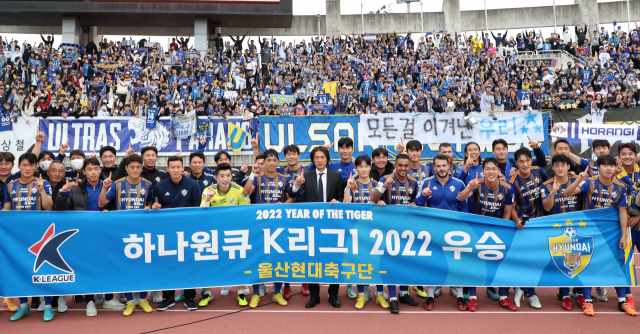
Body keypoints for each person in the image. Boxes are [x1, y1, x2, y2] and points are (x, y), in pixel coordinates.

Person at [563, 155, 637, 316]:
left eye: (611, 165)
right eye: (605, 165)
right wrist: (578, 180)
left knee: (617, 265)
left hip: (612, 233)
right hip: (590, 232)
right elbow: (567, 194)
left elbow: (623, 212)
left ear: (615, 167)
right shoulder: (589, 182)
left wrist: (624, 236)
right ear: (599, 167)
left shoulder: (620, 188)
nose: (608, 168)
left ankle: (622, 301)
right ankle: (588, 301)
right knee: (590, 264)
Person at [53, 157, 120, 316]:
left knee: (106, 265)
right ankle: (89, 300)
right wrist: (63, 194)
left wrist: (108, 211)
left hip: (105, 234)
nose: (93, 172)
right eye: (89, 169)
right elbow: (60, 209)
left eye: (96, 169)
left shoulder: (110, 187)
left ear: (100, 170)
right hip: (83, 236)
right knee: (87, 266)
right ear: (84, 172)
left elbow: (115, 208)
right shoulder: (75, 189)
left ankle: (108, 298)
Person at [457, 157, 517, 311]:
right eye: (487, 169)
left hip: (498, 229)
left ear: (499, 171)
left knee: (500, 263)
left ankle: (503, 297)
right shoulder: (477, 184)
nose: (491, 172)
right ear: (482, 171)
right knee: (474, 264)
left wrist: (503, 231)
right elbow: (460, 198)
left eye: (494, 169)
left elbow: (507, 213)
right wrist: (470, 188)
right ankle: (472, 298)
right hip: (476, 228)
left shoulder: (508, 188)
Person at [97, 154, 154, 316]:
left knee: (143, 267)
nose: (135, 170)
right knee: (124, 267)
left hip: (142, 233)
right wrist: (103, 188)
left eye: (138, 167)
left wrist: (150, 207)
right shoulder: (117, 184)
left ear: (141, 168)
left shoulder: (148, 185)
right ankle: (129, 301)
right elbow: (101, 204)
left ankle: (142, 299)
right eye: (132, 167)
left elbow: (149, 204)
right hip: (122, 233)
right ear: (127, 168)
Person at [289, 146, 343, 309]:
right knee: (311, 259)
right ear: (313, 160)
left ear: (327, 159)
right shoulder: (306, 176)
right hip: (311, 225)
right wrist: (297, 185)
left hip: (332, 225)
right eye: (316, 157)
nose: (319, 160)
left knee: (334, 259)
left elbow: (341, 197)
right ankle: (314, 295)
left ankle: (333, 295)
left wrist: (338, 202)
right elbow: (293, 195)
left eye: (322, 157)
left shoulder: (336, 176)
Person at [3, 153, 54, 322]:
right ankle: (24, 306)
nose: (27, 168)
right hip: (17, 236)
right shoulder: (10, 186)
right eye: (24, 165)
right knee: (19, 269)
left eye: (31, 165)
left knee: (43, 268)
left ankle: (48, 307)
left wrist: (41, 192)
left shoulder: (43, 183)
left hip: (39, 232)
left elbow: (49, 207)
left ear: (35, 167)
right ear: (19, 166)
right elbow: (7, 209)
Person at [413, 154, 468, 311]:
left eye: (444, 165)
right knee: (432, 263)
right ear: (434, 167)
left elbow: (464, 209)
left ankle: (459, 296)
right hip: (433, 230)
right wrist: (423, 196)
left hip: (454, 230)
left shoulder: (459, 184)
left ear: (449, 165)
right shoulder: (426, 182)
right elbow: (417, 203)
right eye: (438, 166)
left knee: (457, 264)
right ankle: (430, 296)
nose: (441, 169)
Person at [243, 149, 294, 307]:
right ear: (263, 162)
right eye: (268, 160)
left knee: (279, 258)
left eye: (274, 160)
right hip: (260, 225)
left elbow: (291, 198)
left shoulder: (285, 178)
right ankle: (256, 294)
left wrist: (283, 206)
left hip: (279, 225)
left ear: (278, 162)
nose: (271, 163)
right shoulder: (257, 179)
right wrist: (252, 174)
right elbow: (245, 192)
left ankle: (277, 292)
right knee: (257, 258)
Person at [370, 153, 420, 313]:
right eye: (400, 165)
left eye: (406, 166)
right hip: (387, 228)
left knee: (406, 262)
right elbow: (373, 198)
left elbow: (417, 202)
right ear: (395, 166)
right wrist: (382, 191)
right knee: (390, 263)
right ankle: (392, 298)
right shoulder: (385, 178)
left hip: (407, 229)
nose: (404, 168)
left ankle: (404, 293)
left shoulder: (414, 182)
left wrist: (415, 204)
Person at [153, 156, 202, 312]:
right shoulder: (160, 186)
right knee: (168, 264)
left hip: (188, 232)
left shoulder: (193, 185)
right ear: (167, 169)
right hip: (167, 232)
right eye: (172, 167)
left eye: (178, 167)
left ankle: (189, 297)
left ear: (183, 168)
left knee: (189, 263)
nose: (175, 170)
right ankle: (168, 297)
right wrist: (156, 207)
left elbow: (197, 210)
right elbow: (156, 207)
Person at [199, 163, 251, 307]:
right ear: (216, 177)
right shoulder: (208, 190)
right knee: (209, 263)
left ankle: (241, 293)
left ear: (231, 176)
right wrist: (208, 199)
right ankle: (207, 295)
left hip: (234, 233)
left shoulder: (239, 190)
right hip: (213, 234)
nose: (225, 179)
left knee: (239, 262)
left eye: (228, 175)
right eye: (222, 176)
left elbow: (245, 212)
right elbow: (201, 212)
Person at [343, 155, 390, 311]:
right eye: (360, 167)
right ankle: (362, 294)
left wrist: (382, 203)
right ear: (355, 169)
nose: (363, 169)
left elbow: (385, 204)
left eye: (366, 166)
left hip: (376, 231)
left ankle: (379, 294)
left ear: (370, 168)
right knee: (359, 263)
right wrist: (349, 188)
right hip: (358, 231)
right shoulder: (351, 184)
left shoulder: (378, 185)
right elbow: (345, 205)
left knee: (378, 263)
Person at [540, 155, 584, 313]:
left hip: (578, 228)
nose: (560, 168)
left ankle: (580, 293)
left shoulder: (577, 182)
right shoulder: (545, 185)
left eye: (563, 165)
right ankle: (565, 295)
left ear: (568, 167)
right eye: (556, 165)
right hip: (557, 230)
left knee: (580, 260)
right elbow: (546, 207)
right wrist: (552, 193)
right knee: (562, 261)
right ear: (552, 168)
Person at [509, 147, 547, 309]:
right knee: (522, 260)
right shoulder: (512, 181)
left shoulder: (539, 172)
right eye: (521, 161)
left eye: (527, 160)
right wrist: (518, 221)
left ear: (531, 161)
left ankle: (530, 291)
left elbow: (548, 188)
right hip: (521, 226)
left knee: (535, 261)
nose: (525, 164)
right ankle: (524, 290)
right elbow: (510, 207)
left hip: (539, 225)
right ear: (516, 163)